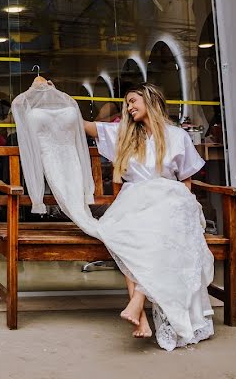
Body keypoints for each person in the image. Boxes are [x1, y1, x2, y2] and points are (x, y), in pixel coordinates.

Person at [83, 83, 214, 348]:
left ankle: (138, 301)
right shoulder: (125, 135)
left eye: (133, 101)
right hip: (134, 201)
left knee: (164, 229)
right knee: (131, 237)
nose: (129, 108)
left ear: (150, 99)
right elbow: (85, 125)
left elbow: (186, 180)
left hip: (170, 199)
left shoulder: (177, 135)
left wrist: (182, 206)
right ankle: (139, 313)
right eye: (127, 104)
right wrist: (57, 99)